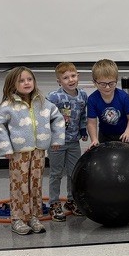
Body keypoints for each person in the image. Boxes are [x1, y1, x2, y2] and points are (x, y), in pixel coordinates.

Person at [0, 67, 64, 235]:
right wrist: (6, 148)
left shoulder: (43, 102)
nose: (26, 83)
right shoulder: (8, 106)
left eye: (29, 79)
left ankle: (34, 216)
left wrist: (57, 140)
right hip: (18, 153)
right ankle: (17, 218)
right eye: (21, 80)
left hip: (38, 151)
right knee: (20, 185)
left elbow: (58, 119)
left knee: (35, 185)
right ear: (13, 84)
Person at [46, 62, 88, 221]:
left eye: (73, 76)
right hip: (57, 143)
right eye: (65, 78)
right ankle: (54, 203)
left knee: (73, 172)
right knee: (56, 173)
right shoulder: (54, 97)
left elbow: (83, 115)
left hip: (73, 142)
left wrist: (83, 130)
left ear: (78, 76)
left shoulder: (82, 95)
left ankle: (71, 200)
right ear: (59, 81)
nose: (70, 80)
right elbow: (45, 117)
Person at [86, 59, 129, 146]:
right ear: (94, 83)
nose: (107, 87)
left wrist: (128, 132)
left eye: (111, 83)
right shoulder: (92, 100)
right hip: (105, 136)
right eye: (103, 84)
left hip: (125, 134)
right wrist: (94, 139)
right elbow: (91, 123)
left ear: (116, 80)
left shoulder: (123, 97)